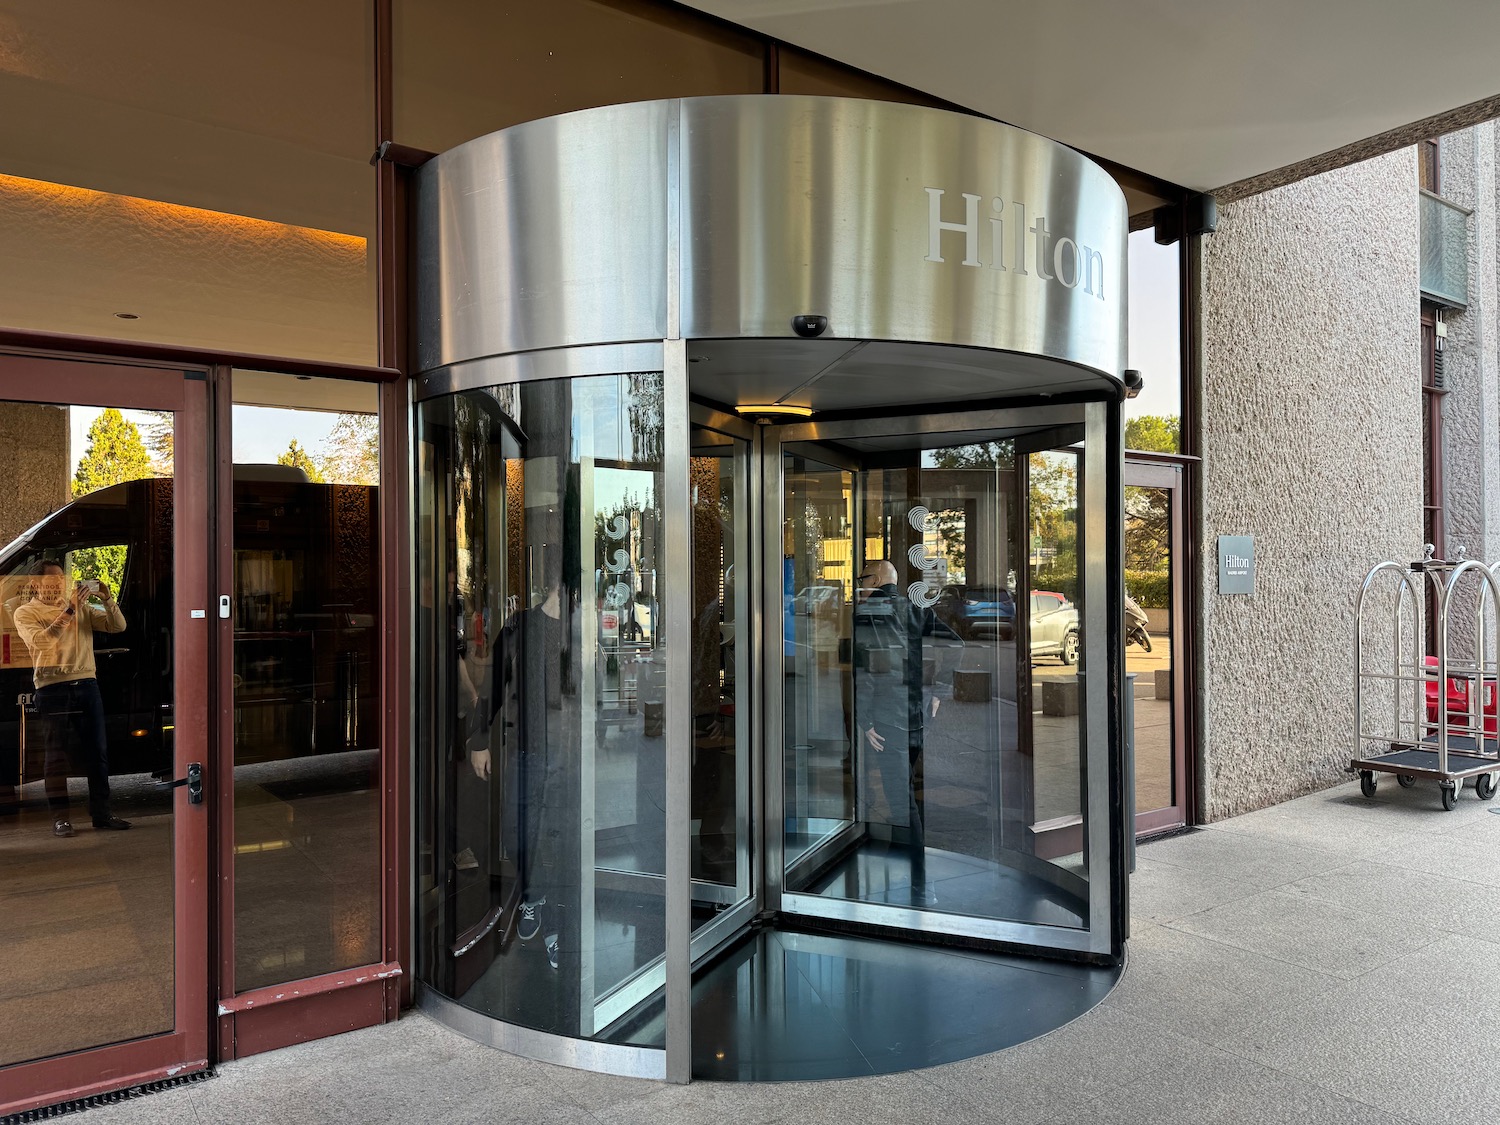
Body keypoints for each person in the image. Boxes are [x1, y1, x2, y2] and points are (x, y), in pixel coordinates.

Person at [12, 561, 130, 837]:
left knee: (97, 753)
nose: (57, 586)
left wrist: (107, 598)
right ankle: (60, 819)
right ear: (35, 584)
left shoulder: (82, 607)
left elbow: (118, 626)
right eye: (50, 582)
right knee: (55, 757)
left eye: (60, 582)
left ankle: (102, 814)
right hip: (52, 689)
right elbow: (42, 642)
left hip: (87, 685)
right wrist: (69, 610)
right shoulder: (25, 612)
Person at [850, 557, 934, 904]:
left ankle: (920, 881)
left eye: (865, 576)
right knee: (906, 793)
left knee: (899, 800)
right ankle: (903, 856)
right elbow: (949, 645)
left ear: (881, 577)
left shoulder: (872, 611)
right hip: (914, 715)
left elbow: (870, 668)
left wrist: (864, 719)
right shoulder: (913, 608)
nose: (860, 583)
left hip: (887, 719)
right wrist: (936, 692)